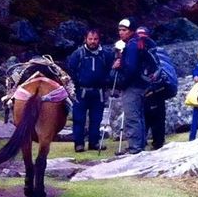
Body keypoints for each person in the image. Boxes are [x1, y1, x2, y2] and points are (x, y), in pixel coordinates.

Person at [64, 28, 112, 153]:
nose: (93, 41)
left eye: (95, 39)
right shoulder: (78, 54)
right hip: (81, 92)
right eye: (90, 39)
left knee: (96, 119)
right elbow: (69, 70)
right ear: (85, 39)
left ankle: (94, 143)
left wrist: (107, 81)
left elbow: (111, 70)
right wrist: (76, 84)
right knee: (79, 118)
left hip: (99, 93)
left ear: (99, 40)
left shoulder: (105, 54)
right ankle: (79, 144)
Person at [111, 18, 151, 156]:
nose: (121, 33)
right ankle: (139, 145)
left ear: (131, 31)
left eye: (124, 30)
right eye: (120, 30)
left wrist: (120, 67)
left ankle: (135, 148)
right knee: (139, 116)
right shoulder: (136, 43)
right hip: (141, 85)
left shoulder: (132, 46)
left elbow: (131, 68)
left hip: (133, 86)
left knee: (132, 116)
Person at [137, 27, 168, 151]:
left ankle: (157, 143)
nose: (140, 38)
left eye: (143, 35)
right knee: (143, 117)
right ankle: (143, 143)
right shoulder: (137, 50)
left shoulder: (152, 52)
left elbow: (158, 71)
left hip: (155, 90)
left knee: (156, 119)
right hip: (145, 90)